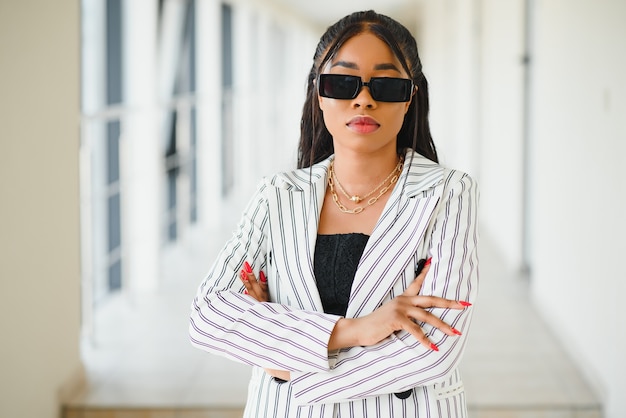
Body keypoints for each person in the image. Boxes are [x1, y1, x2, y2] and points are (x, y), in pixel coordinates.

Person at [189, 10, 479, 418]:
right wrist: (357, 331)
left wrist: (286, 363)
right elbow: (210, 315)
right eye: (342, 82)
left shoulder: (447, 193)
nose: (364, 99)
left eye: (386, 84)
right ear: (319, 93)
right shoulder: (279, 195)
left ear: (410, 96)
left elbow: (432, 351)